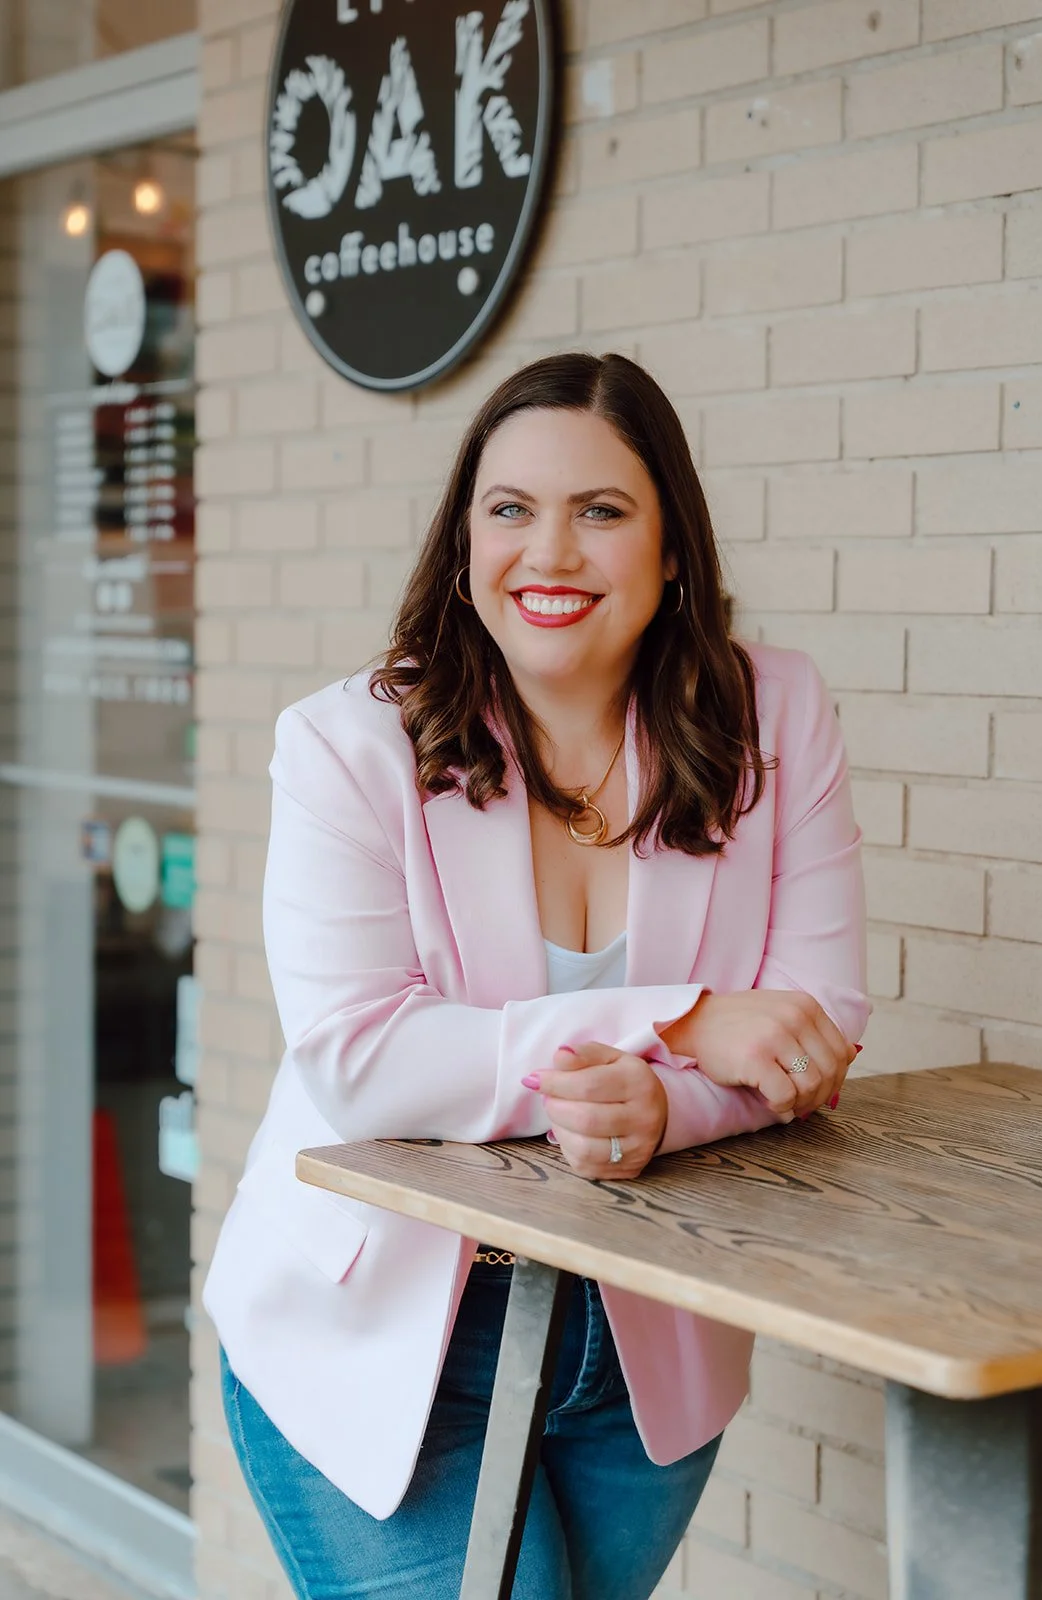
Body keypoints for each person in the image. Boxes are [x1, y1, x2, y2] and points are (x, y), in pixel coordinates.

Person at [203, 352, 870, 1600]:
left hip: (641, 1358)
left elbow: (813, 1022)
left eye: (601, 511)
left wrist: (668, 1103)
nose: (547, 551)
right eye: (508, 509)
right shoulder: (348, 745)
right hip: (375, 1340)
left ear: (673, 548)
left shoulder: (773, 717)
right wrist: (682, 1018)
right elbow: (361, 1057)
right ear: (464, 547)